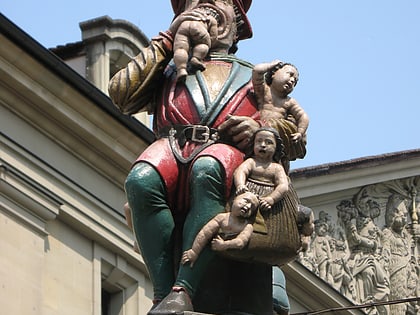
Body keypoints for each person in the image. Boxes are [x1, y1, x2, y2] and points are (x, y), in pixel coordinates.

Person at [108, 1, 277, 314]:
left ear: (238, 21)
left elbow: (287, 131)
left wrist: (260, 126)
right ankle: (162, 293)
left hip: (223, 152)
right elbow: (120, 94)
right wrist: (169, 38)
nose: (206, 8)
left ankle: (183, 287)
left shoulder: (255, 76)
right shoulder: (169, 68)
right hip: (174, 142)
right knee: (141, 180)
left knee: (208, 168)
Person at [252, 60, 309, 171]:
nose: (292, 80)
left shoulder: (289, 102)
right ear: (274, 73)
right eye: (290, 74)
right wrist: (271, 65)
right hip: (260, 131)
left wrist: (300, 132)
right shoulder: (264, 91)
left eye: (295, 81)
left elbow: (303, 116)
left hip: (275, 135)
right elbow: (257, 71)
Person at [181, 191, 259, 267]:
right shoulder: (221, 218)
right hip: (213, 255)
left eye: (252, 207)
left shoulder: (247, 226)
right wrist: (194, 251)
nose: (248, 206)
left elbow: (240, 242)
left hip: (234, 262)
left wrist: (224, 245)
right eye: (246, 201)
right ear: (234, 199)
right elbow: (205, 233)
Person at [234, 127, 289, 212]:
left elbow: (283, 186)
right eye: (259, 141)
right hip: (247, 198)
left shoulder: (277, 168)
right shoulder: (251, 162)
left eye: (269, 142)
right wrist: (240, 185)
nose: (263, 145)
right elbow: (240, 172)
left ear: (276, 148)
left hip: (268, 203)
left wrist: (272, 198)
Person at [173, 0, 219, 81]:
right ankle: (196, 58)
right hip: (198, 28)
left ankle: (181, 69)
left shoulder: (191, 15)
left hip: (184, 26)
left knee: (180, 48)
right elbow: (213, 36)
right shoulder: (211, 18)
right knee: (203, 44)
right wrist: (209, 42)